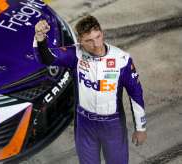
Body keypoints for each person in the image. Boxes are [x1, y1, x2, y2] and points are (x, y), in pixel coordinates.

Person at [33, 15, 147, 164]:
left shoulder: (122, 59)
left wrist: (141, 127)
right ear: (80, 41)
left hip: (112, 124)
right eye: (89, 41)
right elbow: (46, 58)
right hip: (84, 123)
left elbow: (135, 94)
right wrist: (40, 37)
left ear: (102, 33)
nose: (97, 44)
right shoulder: (75, 54)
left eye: (98, 37)